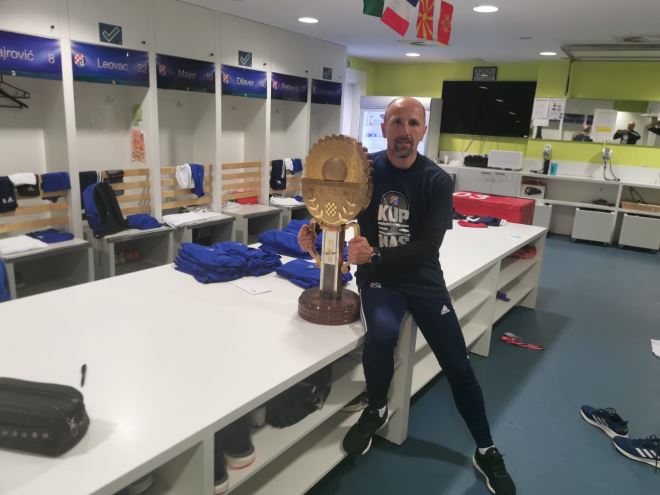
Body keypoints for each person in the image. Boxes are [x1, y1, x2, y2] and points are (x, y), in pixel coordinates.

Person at [298, 97, 516, 495]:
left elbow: (429, 247)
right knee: (382, 335)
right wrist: (314, 229)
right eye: (397, 122)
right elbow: (335, 205)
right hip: (379, 280)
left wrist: (376, 253)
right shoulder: (365, 170)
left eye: (413, 123)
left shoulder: (436, 180)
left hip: (422, 279)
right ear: (383, 127)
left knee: (457, 363)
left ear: (423, 131)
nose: (404, 131)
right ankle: (377, 407)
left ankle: (486, 449)